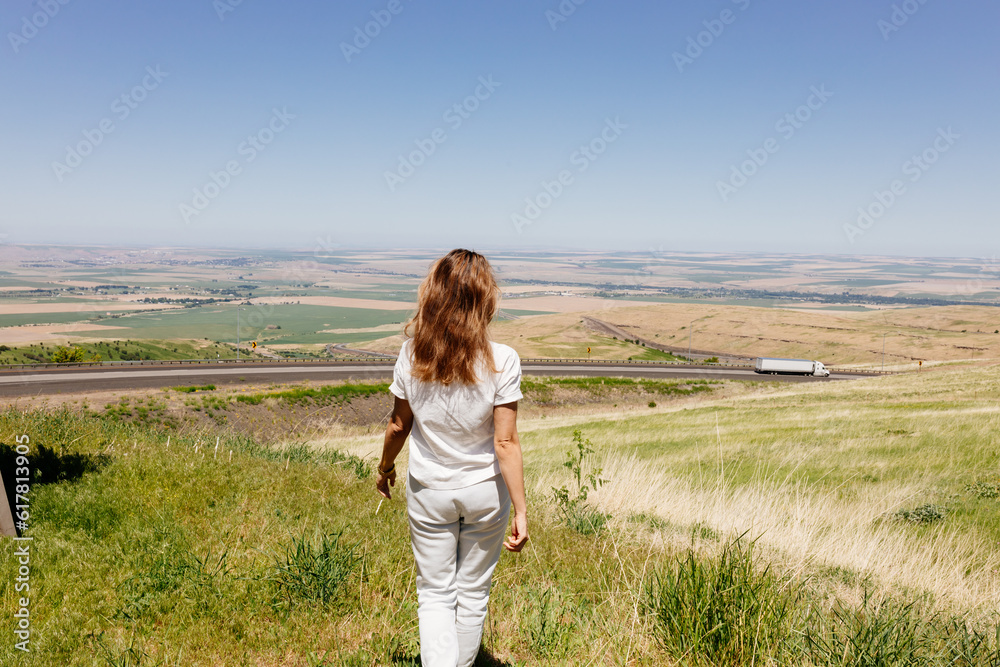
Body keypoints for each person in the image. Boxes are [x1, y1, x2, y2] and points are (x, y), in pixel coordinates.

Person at [375, 248, 529, 667]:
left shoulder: (412, 355)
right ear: (486, 300)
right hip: (485, 494)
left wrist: (385, 468)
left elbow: (397, 426)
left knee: (436, 594)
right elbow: (506, 443)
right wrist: (521, 510)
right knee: (473, 593)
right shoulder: (504, 360)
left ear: (434, 295)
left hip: (429, 491)